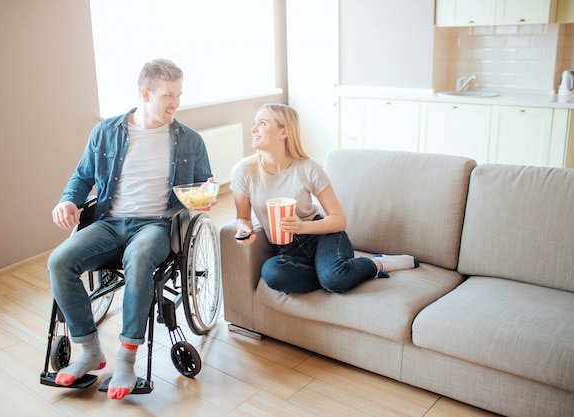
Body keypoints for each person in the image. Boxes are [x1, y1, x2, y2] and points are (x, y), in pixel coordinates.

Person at [47, 59, 214, 400]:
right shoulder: (106, 132)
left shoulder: (190, 140)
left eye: (179, 95)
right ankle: (90, 351)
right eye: (168, 95)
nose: (176, 103)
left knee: (138, 259)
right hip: (109, 223)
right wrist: (67, 202)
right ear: (145, 93)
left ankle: (126, 360)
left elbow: (202, 183)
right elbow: (82, 177)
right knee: (59, 261)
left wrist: (205, 195)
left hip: (155, 225)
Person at [230, 103, 418, 294]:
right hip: (288, 250)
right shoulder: (244, 171)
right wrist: (244, 229)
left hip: (323, 236)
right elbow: (243, 217)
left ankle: (377, 264)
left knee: (333, 277)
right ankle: (337, 272)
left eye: (262, 123)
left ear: (283, 132)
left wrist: (302, 227)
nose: (253, 129)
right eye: (255, 123)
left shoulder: (308, 168)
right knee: (272, 272)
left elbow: (338, 220)